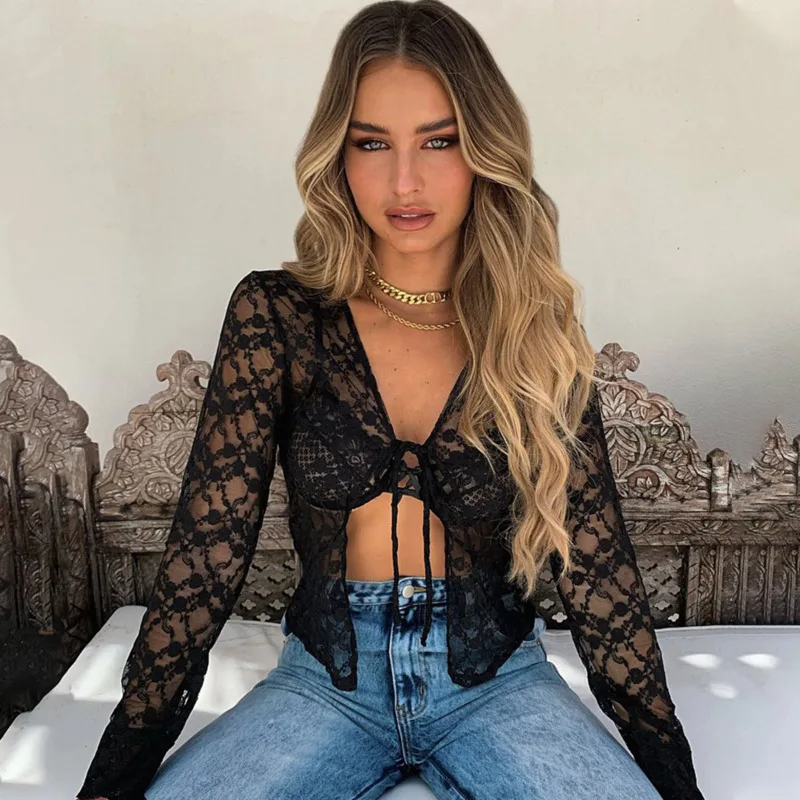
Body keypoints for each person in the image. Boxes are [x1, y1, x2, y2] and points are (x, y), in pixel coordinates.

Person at [77, 2, 704, 798]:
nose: (405, 181)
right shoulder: (279, 316)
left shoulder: (529, 327)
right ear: (336, 156)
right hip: (326, 684)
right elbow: (205, 561)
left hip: (498, 684)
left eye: (439, 141)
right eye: (372, 142)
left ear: (485, 151)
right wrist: (112, 782)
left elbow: (596, 573)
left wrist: (673, 781)